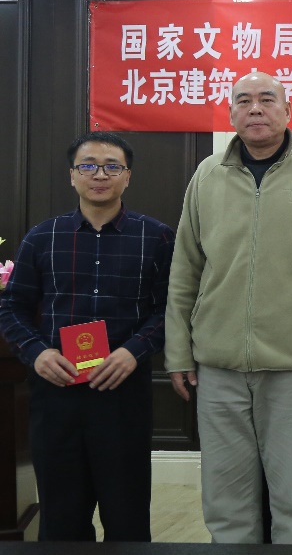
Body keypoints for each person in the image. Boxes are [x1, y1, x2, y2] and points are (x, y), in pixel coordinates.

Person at [164, 71, 292, 544]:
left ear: (287, 111)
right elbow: (185, 268)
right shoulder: (207, 174)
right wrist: (178, 351)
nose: (255, 108)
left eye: (267, 99)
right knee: (225, 499)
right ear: (230, 113)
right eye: (244, 100)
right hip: (218, 364)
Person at [0, 131, 173, 541]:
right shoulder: (43, 237)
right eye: (88, 165)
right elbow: (12, 308)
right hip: (56, 393)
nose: (100, 175)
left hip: (123, 393)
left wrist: (133, 351)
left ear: (127, 176)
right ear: (72, 175)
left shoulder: (157, 237)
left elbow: (172, 310)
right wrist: (37, 353)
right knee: (61, 520)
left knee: (127, 519)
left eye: (112, 166)